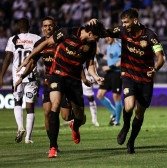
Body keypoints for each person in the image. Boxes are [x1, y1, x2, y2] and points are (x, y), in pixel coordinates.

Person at [18, 21, 105, 158]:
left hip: (74, 80)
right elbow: (45, 44)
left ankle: (75, 126)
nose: (98, 40)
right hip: (56, 75)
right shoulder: (67, 32)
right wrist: (28, 58)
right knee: (55, 105)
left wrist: (96, 76)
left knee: (79, 117)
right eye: (97, 37)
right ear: (90, 33)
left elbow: (90, 64)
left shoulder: (91, 45)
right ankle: (53, 147)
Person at [89, 8, 165, 154]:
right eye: (122, 22)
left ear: (135, 20)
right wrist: (95, 25)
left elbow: (160, 56)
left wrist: (155, 68)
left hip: (145, 78)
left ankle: (131, 141)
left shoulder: (150, 35)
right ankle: (125, 127)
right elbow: (106, 32)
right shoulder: (122, 31)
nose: (124, 25)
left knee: (139, 113)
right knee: (129, 106)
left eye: (126, 22)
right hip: (129, 75)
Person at [14, 16, 74, 150]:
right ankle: (53, 145)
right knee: (47, 112)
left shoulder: (63, 41)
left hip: (64, 81)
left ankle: (74, 120)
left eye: (50, 25)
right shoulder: (39, 43)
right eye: (45, 26)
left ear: (55, 26)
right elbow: (32, 63)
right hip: (49, 81)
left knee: (65, 116)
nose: (48, 28)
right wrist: (22, 76)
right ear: (42, 28)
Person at [0, 17, 41, 144]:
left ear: (18, 26)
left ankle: (20, 127)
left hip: (17, 76)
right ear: (30, 25)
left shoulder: (13, 39)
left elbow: (7, 58)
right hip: (32, 75)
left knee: (17, 102)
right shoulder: (37, 38)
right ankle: (28, 137)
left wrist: (1, 76)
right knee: (30, 107)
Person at [96, 37, 122, 126]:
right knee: (100, 95)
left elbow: (122, 61)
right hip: (109, 74)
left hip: (117, 73)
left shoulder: (118, 46)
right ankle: (114, 112)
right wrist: (99, 54)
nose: (107, 39)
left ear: (113, 36)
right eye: (106, 38)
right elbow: (109, 57)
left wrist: (110, 67)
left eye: (108, 37)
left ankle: (117, 121)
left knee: (116, 96)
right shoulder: (109, 46)